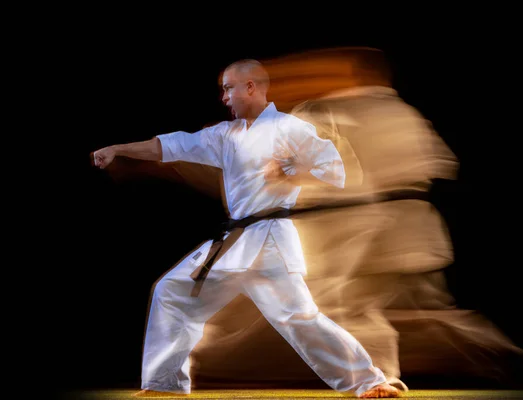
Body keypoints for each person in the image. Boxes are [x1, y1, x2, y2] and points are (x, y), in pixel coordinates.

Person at [92, 59, 401, 398]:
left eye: (228, 88)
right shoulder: (226, 135)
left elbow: (340, 173)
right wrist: (118, 149)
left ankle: (370, 382)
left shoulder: (289, 128)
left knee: (299, 318)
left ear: (250, 87)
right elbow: (170, 145)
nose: (224, 97)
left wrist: (293, 174)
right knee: (172, 292)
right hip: (233, 244)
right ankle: (164, 385)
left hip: (269, 241)